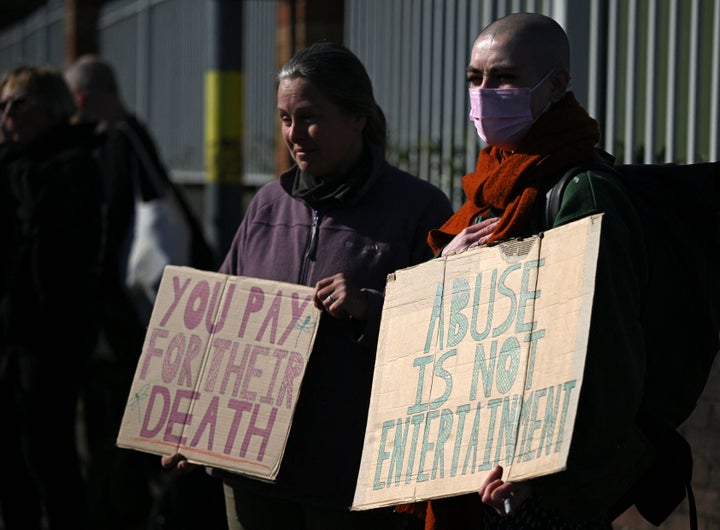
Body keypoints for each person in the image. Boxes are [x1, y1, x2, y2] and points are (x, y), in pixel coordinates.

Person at [162, 41, 454, 530]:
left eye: (309, 117)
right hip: (248, 466)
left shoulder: (417, 208)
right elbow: (215, 321)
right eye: (284, 119)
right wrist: (188, 422)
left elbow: (448, 332)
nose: (294, 134)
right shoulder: (267, 206)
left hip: (347, 475)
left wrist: (371, 307)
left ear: (358, 117)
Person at [396, 12, 652, 530]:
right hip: (467, 465)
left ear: (557, 84)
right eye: (475, 78)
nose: (485, 92)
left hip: (531, 489)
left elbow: (606, 359)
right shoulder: (492, 184)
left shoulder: (584, 192)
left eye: (505, 78)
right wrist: (446, 274)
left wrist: (550, 475)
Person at [64, 54, 221, 530]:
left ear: (81, 99)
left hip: (129, 323)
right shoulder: (133, 136)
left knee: (124, 441)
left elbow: (115, 234)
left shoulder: (116, 142)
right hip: (138, 320)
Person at [0, 64, 104, 530]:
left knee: (49, 457)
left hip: (51, 337)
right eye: (2, 105)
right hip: (9, 334)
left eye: (17, 103)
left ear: (51, 107)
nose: (6, 115)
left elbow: (51, 239)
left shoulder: (74, 162)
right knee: (11, 466)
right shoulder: (13, 164)